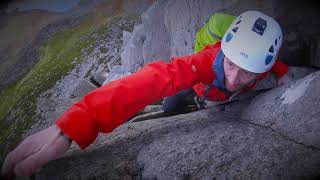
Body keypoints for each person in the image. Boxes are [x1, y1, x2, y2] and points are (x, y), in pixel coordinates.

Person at [1, 11, 291, 178]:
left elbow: (272, 62)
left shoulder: (263, 63)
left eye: (247, 72)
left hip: (217, 88)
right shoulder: (205, 62)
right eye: (230, 64)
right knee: (170, 105)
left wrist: (284, 73)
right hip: (199, 83)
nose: (234, 78)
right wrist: (69, 127)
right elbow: (147, 82)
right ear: (223, 53)